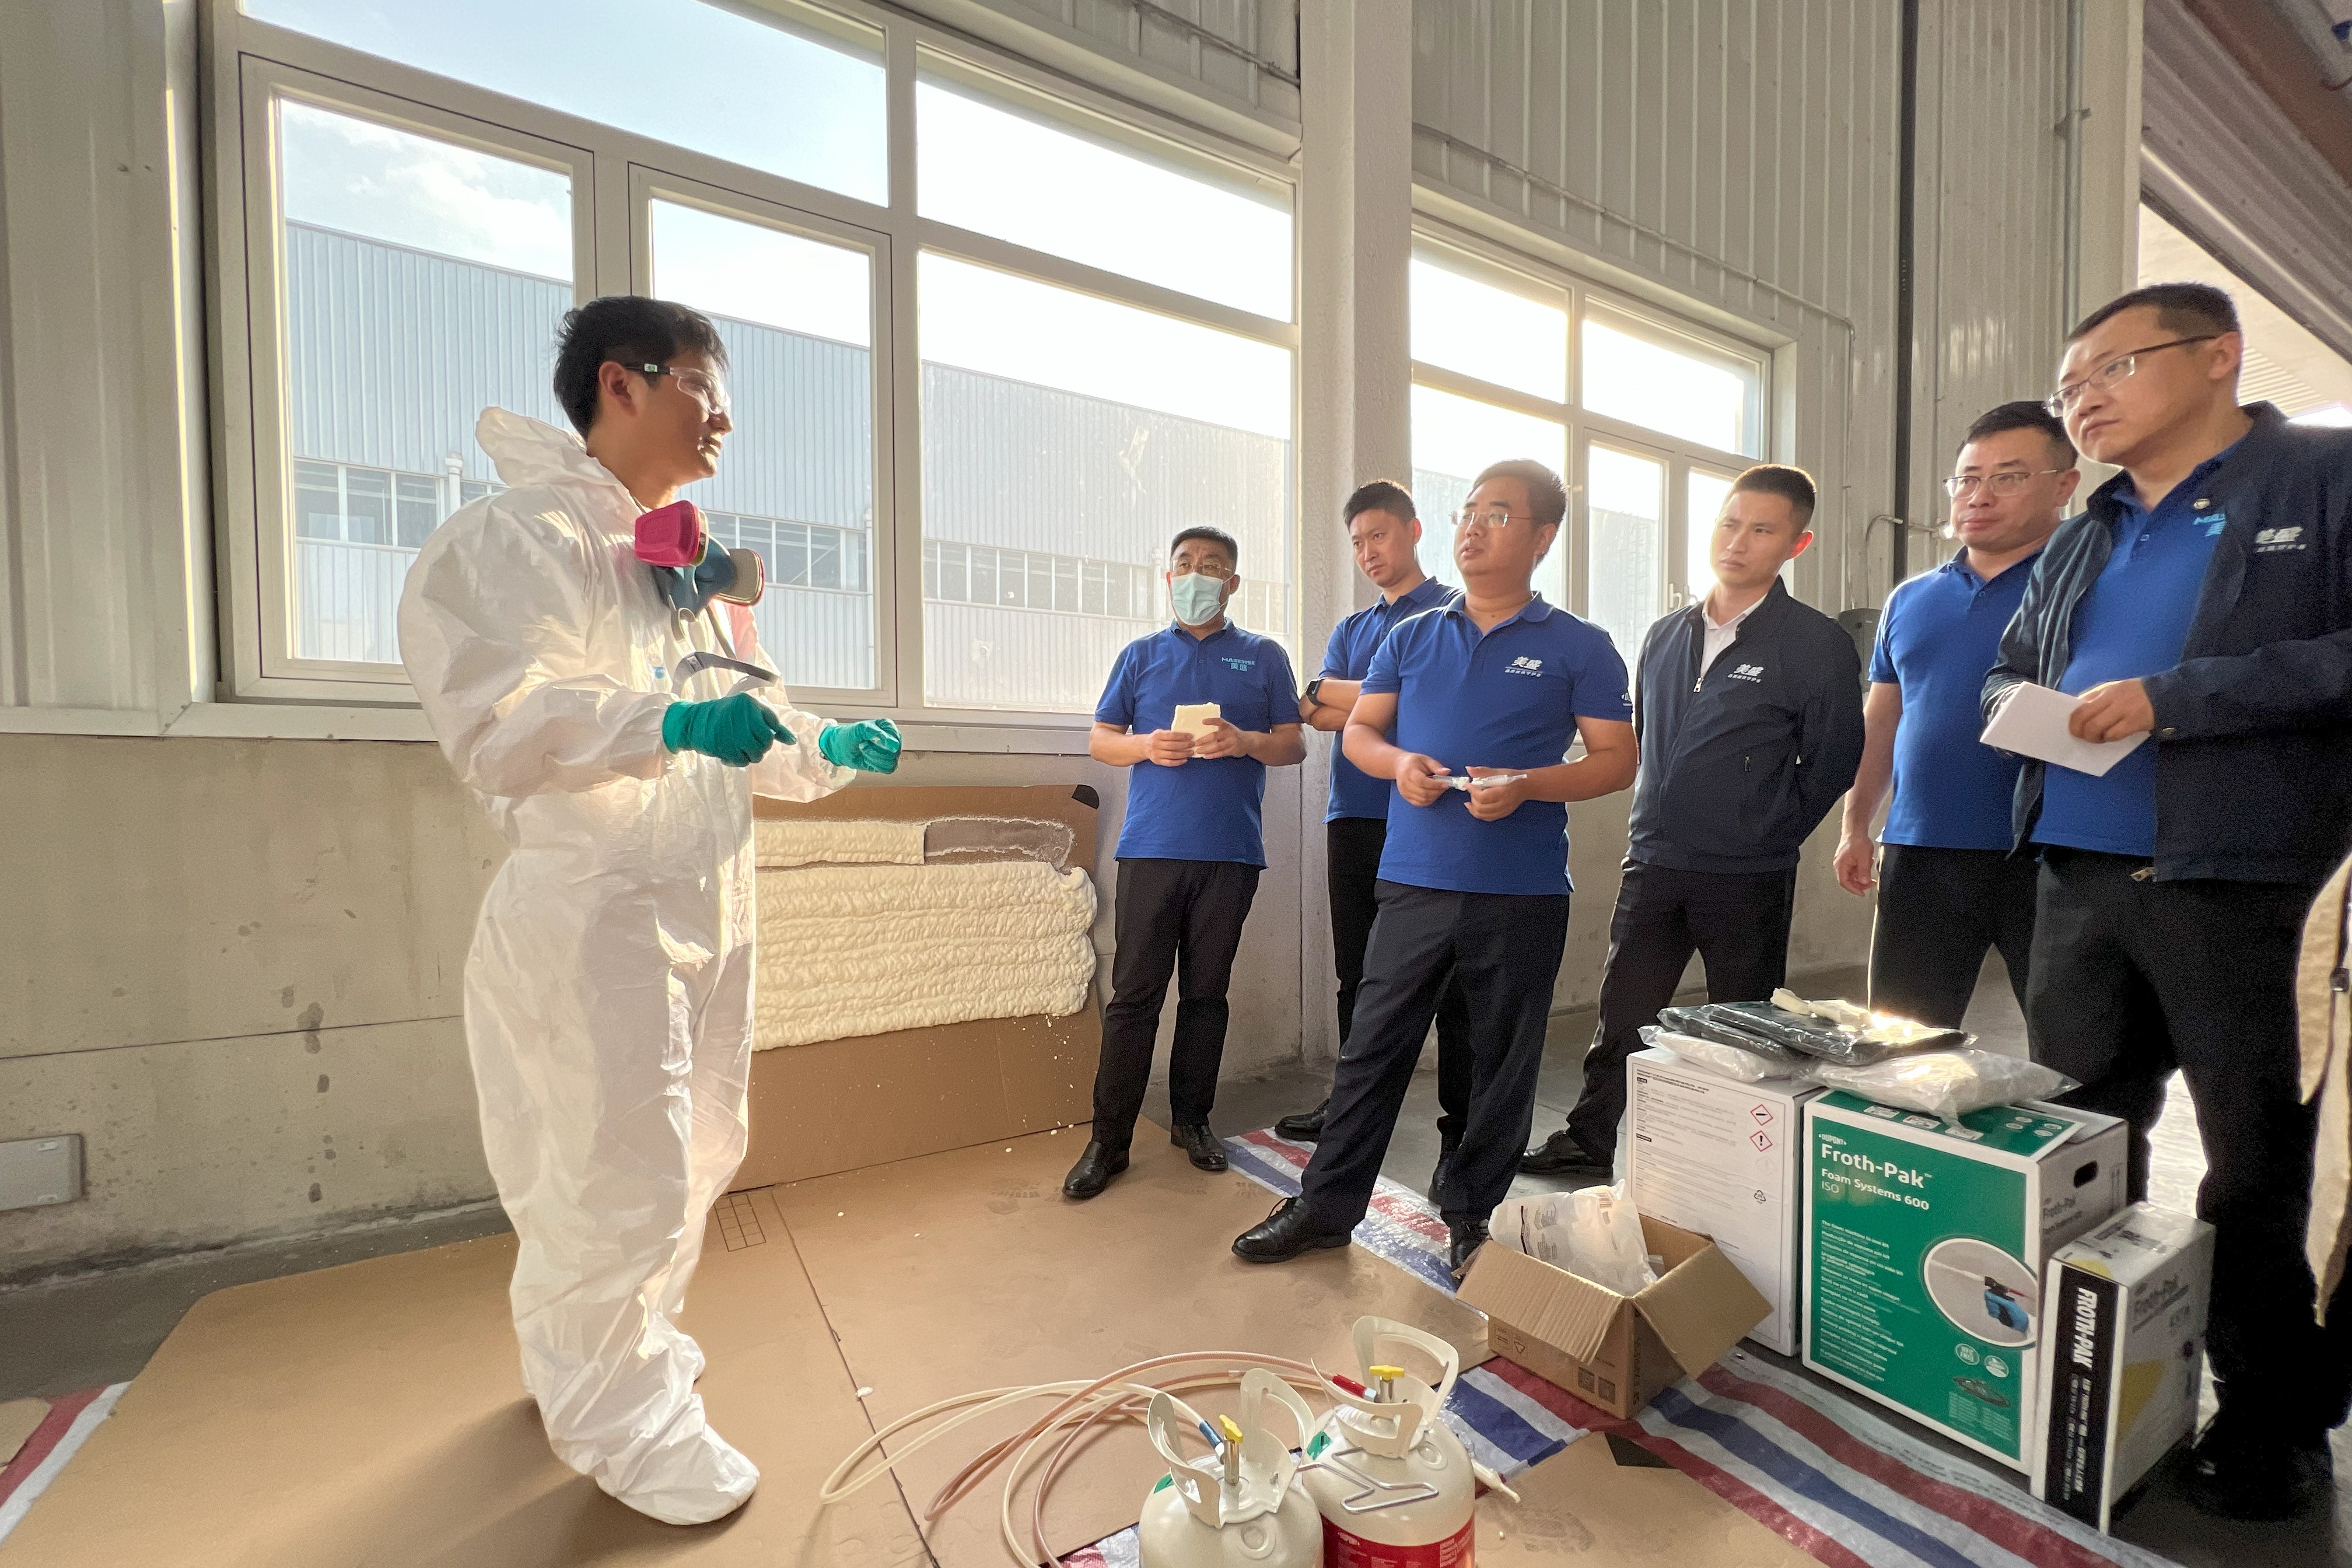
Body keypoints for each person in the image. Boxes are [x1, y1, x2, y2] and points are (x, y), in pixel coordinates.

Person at [397, 298, 902, 1527]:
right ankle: (620, 1420)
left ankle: (611, 1356)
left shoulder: (684, 567)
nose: (722, 416)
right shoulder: (518, 537)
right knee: (616, 1171)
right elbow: (497, 723)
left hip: (705, 898)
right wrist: (663, 721)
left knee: (699, 1146)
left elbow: (746, 719)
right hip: (598, 914)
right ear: (620, 384)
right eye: (702, 388)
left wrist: (827, 744)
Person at [1983, 281, 2352, 1520]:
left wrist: (2176, 698)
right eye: (2069, 384)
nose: (2083, 398)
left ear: (2218, 356)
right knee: (2082, 1140)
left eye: (2111, 368)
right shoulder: (2080, 533)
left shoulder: (2322, 481)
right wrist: (2011, 707)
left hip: (2246, 881)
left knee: (2257, 1165)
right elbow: (2015, 664)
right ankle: (2101, 1381)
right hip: (2079, 877)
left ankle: (2273, 1417)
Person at [1231, 460, 1637, 1276]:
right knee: (1373, 1048)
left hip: (1521, 892)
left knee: (1498, 1061)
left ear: (1543, 536)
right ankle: (1325, 1206)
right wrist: (1398, 765)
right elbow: (1360, 732)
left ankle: (1471, 1212)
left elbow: (1616, 760)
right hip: (1414, 879)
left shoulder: (1580, 647)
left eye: (1498, 513)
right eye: (1468, 511)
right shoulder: (1409, 636)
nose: (1473, 526)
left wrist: (1528, 786)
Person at [1524, 464, 1864, 1177]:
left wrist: (1767, 830)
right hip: (1654, 861)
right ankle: (1591, 1138)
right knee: (1624, 1013)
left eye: (1762, 530)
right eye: (1729, 523)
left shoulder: (1815, 643)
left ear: (1796, 545)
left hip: (1747, 874)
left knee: (1744, 1024)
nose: (1738, 541)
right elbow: (1649, 737)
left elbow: (1834, 759)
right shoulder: (1665, 634)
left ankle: (1738, 1159)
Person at [1062, 527, 1305, 1200]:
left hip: (1230, 852)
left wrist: (1246, 741)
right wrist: (1146, 746)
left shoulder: (1264, 657)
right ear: (1169, 577)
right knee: (1134, 997)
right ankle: (1108, 1142)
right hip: (1151, 849)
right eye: (1186, 564)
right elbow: (1101, 740)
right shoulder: (1140, 655)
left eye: (1213, 566)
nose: (1197, 574)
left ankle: (1192, 1122)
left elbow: (1293, 746)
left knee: (1206, 995)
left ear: (1233, 583)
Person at [1833, 403, 2078, 1026]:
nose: (1979, 495)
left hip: (2050, 853)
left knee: (2071, 1046)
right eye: (1967, 479)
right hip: (1921, 850)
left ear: (2064, 485)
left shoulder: (2085, 585)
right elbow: (1881, 722)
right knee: (1901, 1039)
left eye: (2008, 477)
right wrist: (1856, 825)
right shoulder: (1911, 599)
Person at [1276, 482, 1474, 1200]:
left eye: (1379, 536)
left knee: (1452, 986)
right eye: (1358, 542)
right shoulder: (1354, 626)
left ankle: (1461, 1136)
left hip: (1427, 817)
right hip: (1353, 816)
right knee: (1356, 973)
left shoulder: (1451, 613)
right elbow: (1312, 710)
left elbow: (1415, 700)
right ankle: (1347, 1107)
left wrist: (1349, 696)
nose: (1368, 552)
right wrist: (1378, 698)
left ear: (1414, 531)